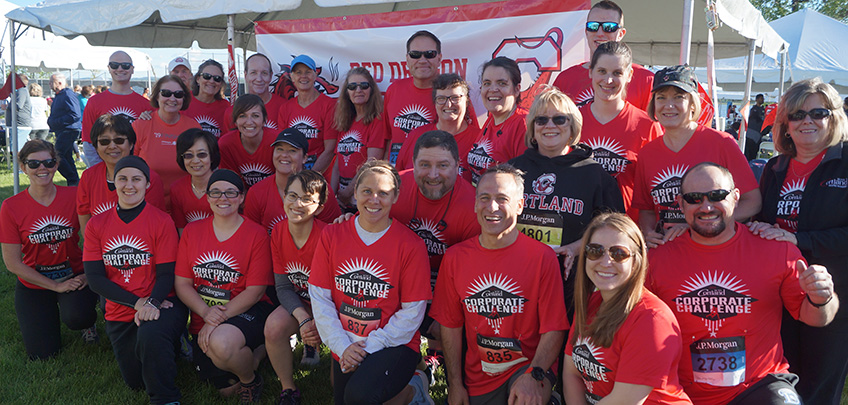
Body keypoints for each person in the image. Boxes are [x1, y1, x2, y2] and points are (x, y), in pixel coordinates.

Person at [647, 162, 837, 404]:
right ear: (681, 203)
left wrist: (822, 298)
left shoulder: (775, 249)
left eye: (717, 195)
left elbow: (816, 318)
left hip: (759, 385)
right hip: (678, 390)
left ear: (736, 197)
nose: (706, 206)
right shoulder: (656, 258)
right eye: (694, 198)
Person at [431, 164, 568, 404]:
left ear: (519, 205)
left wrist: (534, 376)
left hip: (529, 368)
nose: (492, 207)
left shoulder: (542, 258)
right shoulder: (455, 258)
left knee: (523, 397)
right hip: (479, 377)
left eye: (502, 199)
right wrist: (455, 385)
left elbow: (554, 329)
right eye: (484, 198)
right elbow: (450, 326)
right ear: (475, 204)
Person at [750, 77, 848, 404]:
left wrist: (796, 237)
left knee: (821, 384)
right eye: (796, 115)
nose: (807, 121)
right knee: (784, 381)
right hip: (783, 294)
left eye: (818, 112)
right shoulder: (775, 168)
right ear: (785, 124)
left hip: (835, 295)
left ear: (833, 117)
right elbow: (763, 223)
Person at [309, 160, 433, 405]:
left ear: (395, 197)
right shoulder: (332, 235)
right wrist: (342, 345)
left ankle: (415, 388)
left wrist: (369, 346)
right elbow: (320, 296)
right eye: (366, 191)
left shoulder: (411, 245)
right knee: (346, 397)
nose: (374, 199)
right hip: (346, 340)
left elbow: (413, 312)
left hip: (393, 343)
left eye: (383, 193)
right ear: (354, 193)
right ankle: (409, 390)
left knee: (360, 397)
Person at [83, 155, 189, 405]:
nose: (129, 185)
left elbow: (166, 274)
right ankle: (168, 349)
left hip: (162, 303)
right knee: (135, 381)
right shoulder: (97, 224)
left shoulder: (161, 221)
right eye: (122, 179)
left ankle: (166, 398)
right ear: (114, 184)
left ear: (147, 185)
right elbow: (95, 278)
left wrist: (152, 303)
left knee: (151, 337)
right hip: (122, 308)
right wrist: (137, 303)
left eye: (136, 179)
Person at [509, 88, 624, 316]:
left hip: (572, 283)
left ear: (573, 128)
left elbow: (615, 230)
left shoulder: (594, 173)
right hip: (518, 277)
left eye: (559, 119)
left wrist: (574, 248)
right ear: (532, 128)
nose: (550, 125)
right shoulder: (512, 170)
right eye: (541, 120)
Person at [563, 213, 691, 404]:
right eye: (595, 250)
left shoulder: (652, 319)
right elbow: (571, 374)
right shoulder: (591, 303)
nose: (605, 262)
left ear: (637, 261)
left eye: (619, 254)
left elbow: (624, 401)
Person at [632, 65, 761, 248]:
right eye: (661, 98)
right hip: (669, 250)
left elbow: (752, 202)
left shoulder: (722, 143)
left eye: (679, 97)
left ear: (693, 103)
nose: (669, 105)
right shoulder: (647, 153)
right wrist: (648, 233)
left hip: (713, 247)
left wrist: (698, 224)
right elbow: (646, 210)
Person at [175, 169, 274, 403]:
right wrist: (206, 313)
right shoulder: (192, 231)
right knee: (225, 389)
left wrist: (216, 319)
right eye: (216, 192)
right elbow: (182, 284)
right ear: (207, 197)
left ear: (241, 198)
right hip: (205, 314)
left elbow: (256, 290)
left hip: (247, 310)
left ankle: (251, 380)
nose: (223, 198)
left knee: (222, 345)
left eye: (231, 192)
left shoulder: (256, 234)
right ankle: (259, 355)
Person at [0, 140, 98, 360]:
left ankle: (88, 325)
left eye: (48, 162)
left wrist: (87, 276)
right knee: (42, 354)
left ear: (56, 165)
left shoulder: (73, 196)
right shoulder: (11, 206)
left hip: (73, 276)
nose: (42, 168)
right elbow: (13, 263)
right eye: (33, 163)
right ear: (23, 167)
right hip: (34, 282)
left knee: (78, 317)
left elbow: (93, 239)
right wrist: (55, 286)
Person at [264, 170, 330, 404]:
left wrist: (318, 322)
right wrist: (303, 318)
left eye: (307, 199)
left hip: (330, 306)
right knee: (273, 328)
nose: (297, 204)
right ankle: (288, 388)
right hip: (301, 302)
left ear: (319, 207)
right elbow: (282, 286)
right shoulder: (279, 232)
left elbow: (338, 294)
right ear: (284, 197)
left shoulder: (328, 236)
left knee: (337, 385)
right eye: (292, 196)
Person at [578, 42, 662, 220]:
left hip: (627, 231)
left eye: (617, 73)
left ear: (630, 75)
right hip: (578, 230)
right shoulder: (571, 121)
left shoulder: (646, 125)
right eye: (602, 71)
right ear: (590, 71)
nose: (608, 80)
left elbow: (656, 186)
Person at [552, 0, 654, 110]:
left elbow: (655, 126)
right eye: (593, 26)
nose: (600, 33)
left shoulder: (646, 80)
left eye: (609, 27)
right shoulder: (565, 80)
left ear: (620, 34)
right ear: (586, 32)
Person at [77, 114, 166, 232]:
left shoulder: (149, 178)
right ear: (96, 147)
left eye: (119, 140)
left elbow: (155, 225)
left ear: (131, 144)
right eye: (104, 141)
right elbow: (84, 218)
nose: (112, 146)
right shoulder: (88, 177)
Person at [243, 128, 341, 233]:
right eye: (279, 149)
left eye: (292, 150)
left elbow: (334, 233)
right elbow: (250, 235)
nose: (284, 155)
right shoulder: (256, 192)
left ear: (305, 158)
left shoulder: (320, 190)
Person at [395, 73, 481, 179]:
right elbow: (399, 178)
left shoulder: (480, 140)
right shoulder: (416, 136)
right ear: (435, 103)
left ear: (467, 101)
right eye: (441, 98)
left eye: (455, 98)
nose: (448, 104)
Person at [133, 74, 201, 202]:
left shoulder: (193, 126)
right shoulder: (141, 125)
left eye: (178, 94)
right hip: (148, 202)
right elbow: (130, 165)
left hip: (184, 203)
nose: (172, 98)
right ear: (157, 96)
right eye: (166, 93)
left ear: (184, 98)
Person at [81, 51, 153, 167]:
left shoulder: (146, 105)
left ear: (132, 69)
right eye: (114, 65)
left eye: (125, 66)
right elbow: (88, 142)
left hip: (136, 169)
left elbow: (150, 143)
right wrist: (101, 170)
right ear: (109, 68)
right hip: (104, 169)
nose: (120, 69)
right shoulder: (94, 102)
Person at [331, 67, 387, 210]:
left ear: (371, 90)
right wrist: (332, 195)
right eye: (352, 86)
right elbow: (337, 163)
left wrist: (349, 191)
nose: (358, 90)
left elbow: (372, 163)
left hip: (362, 194)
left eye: (364, 86)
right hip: (341, 195)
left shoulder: (377, 120)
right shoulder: (346, 121)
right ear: (347, 92)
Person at [383, 30, 442, 165]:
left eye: (429, 54)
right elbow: (387, 139)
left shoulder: (452, 95)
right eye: (415, 55)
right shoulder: (394, 90)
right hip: (397, 177)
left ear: (439, 58)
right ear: (407, 59)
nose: (422, 60)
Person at [466, 57, 527, 186]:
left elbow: (526, 180)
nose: (493, 89)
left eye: (502, 83)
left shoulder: (523, 124)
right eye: (487, 83)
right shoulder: (491, 119)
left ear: (517, 89)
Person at [277, 54, 338, 173]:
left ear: (315, 75)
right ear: (292, 77)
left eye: (308, 72)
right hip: (293, 171)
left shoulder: (329, 105)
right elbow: (283, 148)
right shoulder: (285, 108)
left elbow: (330, 149)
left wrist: (310, 176)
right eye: (298, 72)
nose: (303, 76)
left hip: (320, 172)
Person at [218, 94, 277, 188]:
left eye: (255, 116)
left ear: (264, 119)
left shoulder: (277, 141)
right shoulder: (226, 144)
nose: (249, 122)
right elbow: (230, 182)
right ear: (235, 121)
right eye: (242, 116)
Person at [170, 128, 218, 233]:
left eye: (202, 154)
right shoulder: (177, 189)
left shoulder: (225, 186)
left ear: (212, 156)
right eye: (188, 155)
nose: (195, 161)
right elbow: (181, 230)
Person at [224, 53, 285, 131]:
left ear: (270, 76)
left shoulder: (284, 108)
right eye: (253, 73)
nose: (259, 79)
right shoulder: (232, 112)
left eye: (264, 73)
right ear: (246, 75)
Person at [47, 73, 82, 186]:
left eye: (51, 82)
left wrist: (56, 122)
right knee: (66, 157)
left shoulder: (67, 94)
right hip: (64, 130)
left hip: (68, 130)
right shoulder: (60, 95)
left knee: (56, 155)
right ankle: (74, 183)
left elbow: (75, 114)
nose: (49, 84)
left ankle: (72, 179)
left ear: (60, 82)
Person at [184, 59, 230, 138]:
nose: (212, 81)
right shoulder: (183, 100)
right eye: (207, 76)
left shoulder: (226, 108)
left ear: (221, 84)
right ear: (198, 79)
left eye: (217, 78)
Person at [6, 73, 32, 153]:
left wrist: (7, 106)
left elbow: (18, 105)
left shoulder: (22, 91)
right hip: (18, 125)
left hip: (20, 125)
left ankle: (19, 165)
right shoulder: (20, 91)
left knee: (17, 150)